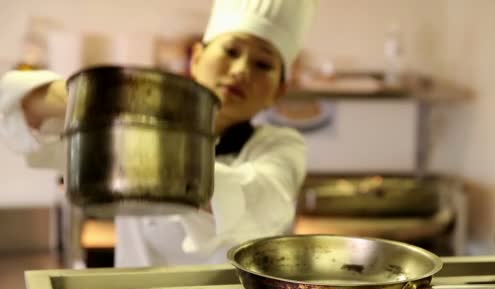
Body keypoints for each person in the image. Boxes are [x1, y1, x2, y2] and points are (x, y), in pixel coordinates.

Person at [0, 0, 318, 267]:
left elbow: (260, 200)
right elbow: (15, 100)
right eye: (231, 51)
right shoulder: (136, 127)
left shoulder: (282, 146)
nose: (240, 71)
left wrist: (153, 157)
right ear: (196, 59)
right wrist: (103, 99)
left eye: (263, 64)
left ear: (280, 90)